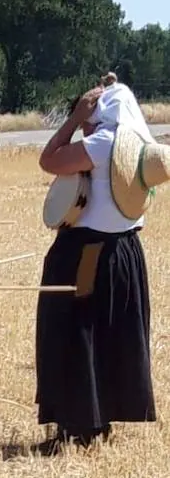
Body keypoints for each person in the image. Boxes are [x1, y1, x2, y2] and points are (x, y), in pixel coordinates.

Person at [34, 82, 164, 451]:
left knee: (76, 330)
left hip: (87, 251)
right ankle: (100, 416)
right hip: (125, 250)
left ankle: (80, 426)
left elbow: (49, 160)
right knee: (112, 334)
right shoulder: (139, 141)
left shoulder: (104, 142)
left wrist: (73, 120)